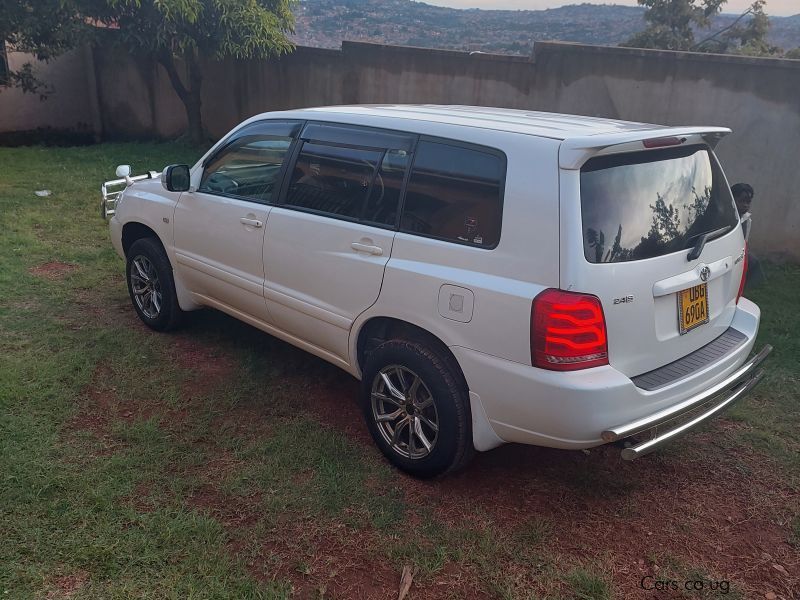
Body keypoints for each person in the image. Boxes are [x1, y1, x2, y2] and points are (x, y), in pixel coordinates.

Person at [730, 183, 764, 288]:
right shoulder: (725, 216)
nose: (745, 205)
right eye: (741, 201)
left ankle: (743, 286)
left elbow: (745, 241)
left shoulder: (747, 220)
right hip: (725, 251)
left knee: (753, 262)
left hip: (738, 252)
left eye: (748, 202)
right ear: (732, 199)